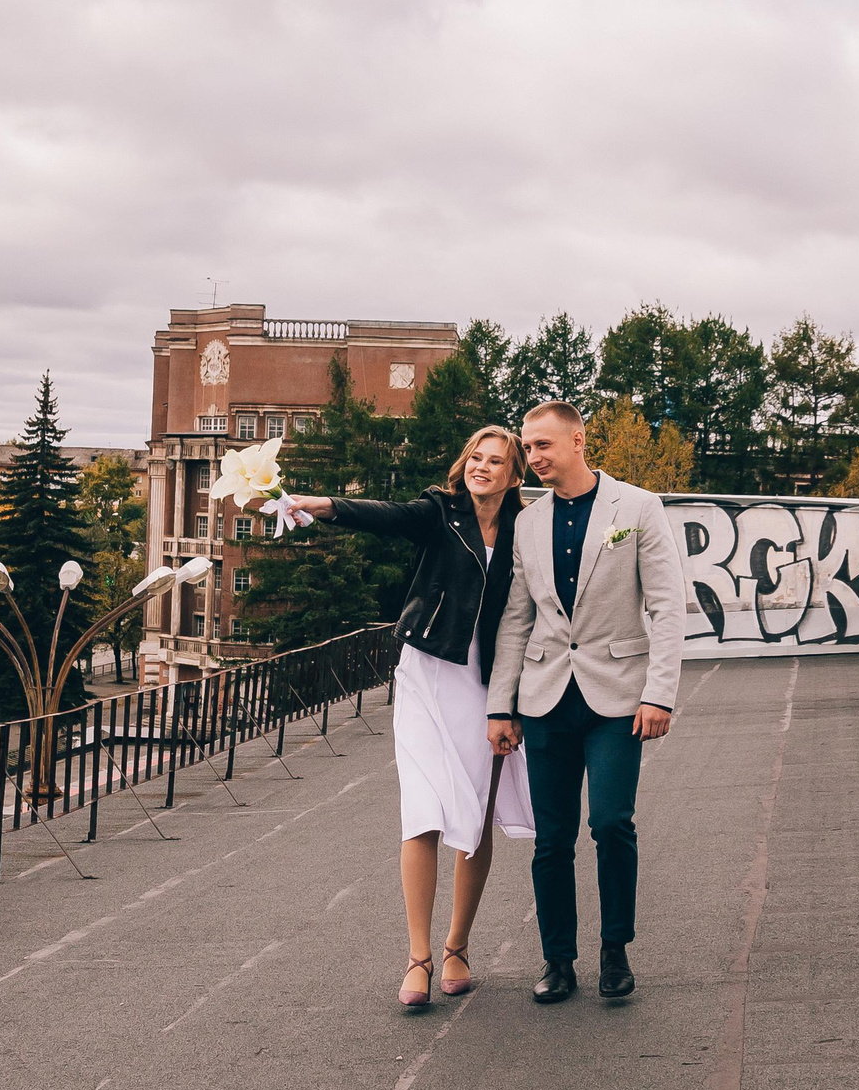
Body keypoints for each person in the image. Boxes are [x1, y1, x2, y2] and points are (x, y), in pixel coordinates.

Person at [280, 426, 534, 1011]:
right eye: (476, 457)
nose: (482, 467)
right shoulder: (439, 512)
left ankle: (457, 946)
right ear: (463, 463)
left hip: (486, 683)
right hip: (426, 672)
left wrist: (514, 700)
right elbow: (384, 516)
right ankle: (418, 954)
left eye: (496, 461)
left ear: (514, 476)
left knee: (473, 811)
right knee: (421, 809)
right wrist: (319, 506)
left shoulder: (527, 530)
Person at [487, 401, 687, 1004]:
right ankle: (557, 960)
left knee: (610, 823)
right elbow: (516, 621)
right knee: (551, 837)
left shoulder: (638, 507)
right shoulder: (526, 522)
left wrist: (660, 692)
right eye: (529, 446)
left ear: (578, 440)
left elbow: (667, 605)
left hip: (619, 697)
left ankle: (615, 951)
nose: (534, 456)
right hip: (545, 697)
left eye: (544, 444)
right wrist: (502, 706)